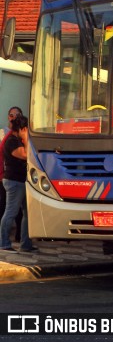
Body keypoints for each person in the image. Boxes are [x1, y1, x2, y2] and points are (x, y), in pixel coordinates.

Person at [0, 115, 37, 253]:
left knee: (28, 213)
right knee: (11, 212)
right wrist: (26, 139)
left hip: (21, 181)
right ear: (23, 128)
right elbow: (25, 155)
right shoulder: (11, 141)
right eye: (27, 129)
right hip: (14, 182)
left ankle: (26, 244)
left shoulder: (17, 139)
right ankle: (3, 242)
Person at [0, 107, 23, 243]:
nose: (13, 117)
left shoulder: (18, 135)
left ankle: (20, 237)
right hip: (8, 175)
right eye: (11, 115)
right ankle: (4, 240)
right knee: (8, 208)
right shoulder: (7, 135)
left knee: (16, 209)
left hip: (13, 176)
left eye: (16, 115)